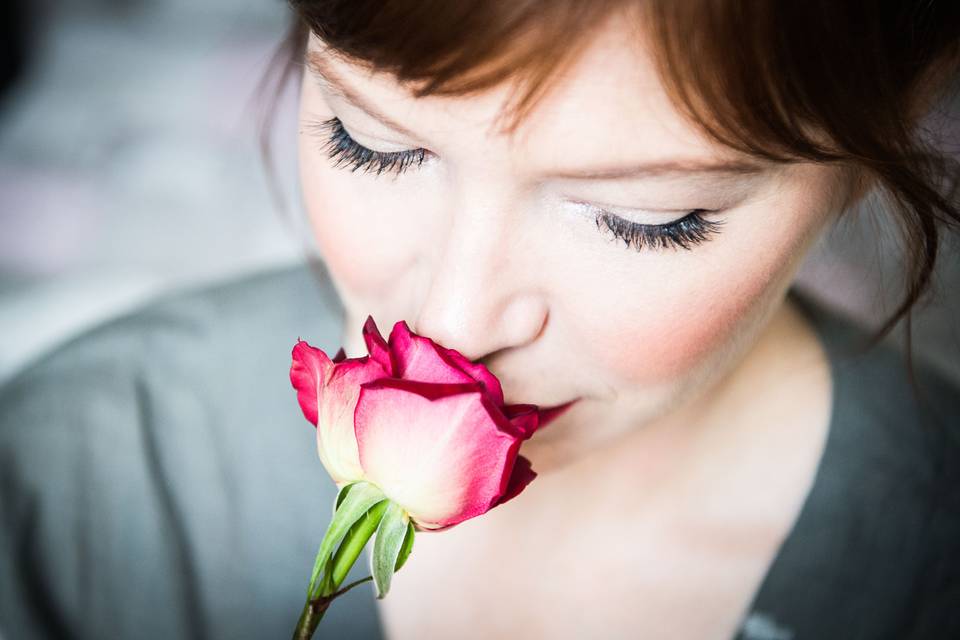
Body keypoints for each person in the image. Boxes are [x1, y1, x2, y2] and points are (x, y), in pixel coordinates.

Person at [2, 2, 959, 639]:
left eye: (645, 218)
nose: (451, 326)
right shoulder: (74, 488)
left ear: (887, 136)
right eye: (368, 142)